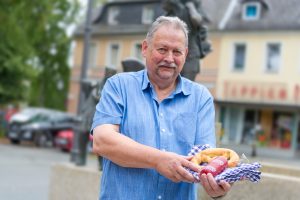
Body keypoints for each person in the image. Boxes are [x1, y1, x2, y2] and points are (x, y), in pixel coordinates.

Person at [91, 16, 231, 200]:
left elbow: (206, 160)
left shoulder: (201, 98)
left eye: (177, 52)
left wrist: (217, 187)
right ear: (145, 48)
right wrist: (158, 160)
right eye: (162, 49)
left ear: (186, 54)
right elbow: (102, 141)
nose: (169, 58)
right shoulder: (118, 86)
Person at [162, 0, 212, 81]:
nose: (163, 5)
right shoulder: (168, 16)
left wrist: (191, 8)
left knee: (186, 86)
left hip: (190, 56)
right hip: (173, 56)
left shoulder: (189, 10)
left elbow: (198, 21)